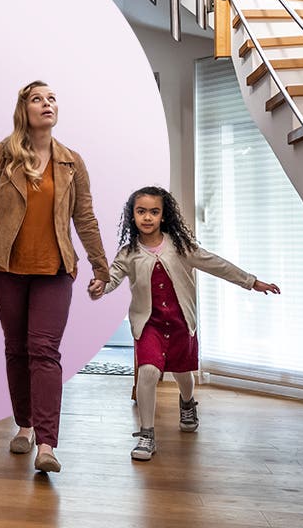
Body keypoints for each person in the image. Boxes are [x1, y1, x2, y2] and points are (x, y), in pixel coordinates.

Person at [0, 80, 111, 473]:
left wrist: (101, 266)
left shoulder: (71, 162)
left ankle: (47, 444)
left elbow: (85, 217)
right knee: (17, 349)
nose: (47, 104)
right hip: (6, 270)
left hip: (55, 270)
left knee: (44, 351)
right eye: (37, 99)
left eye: (51, 98)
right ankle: (25, 425)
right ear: (23, 109)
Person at [89, 186, 281, 462]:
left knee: (182, 373)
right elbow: (112, 277)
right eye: (141, 211)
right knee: (147, 372)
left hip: (180, 322)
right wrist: (100, 286)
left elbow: (216, 264)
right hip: (149, 325)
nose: (147, 217)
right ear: (132, 215)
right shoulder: (128, 253)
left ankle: (188, 402)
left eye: (154, 212)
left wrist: (251, 281)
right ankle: (146, 434)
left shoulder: (180, 247)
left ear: (163, 215)